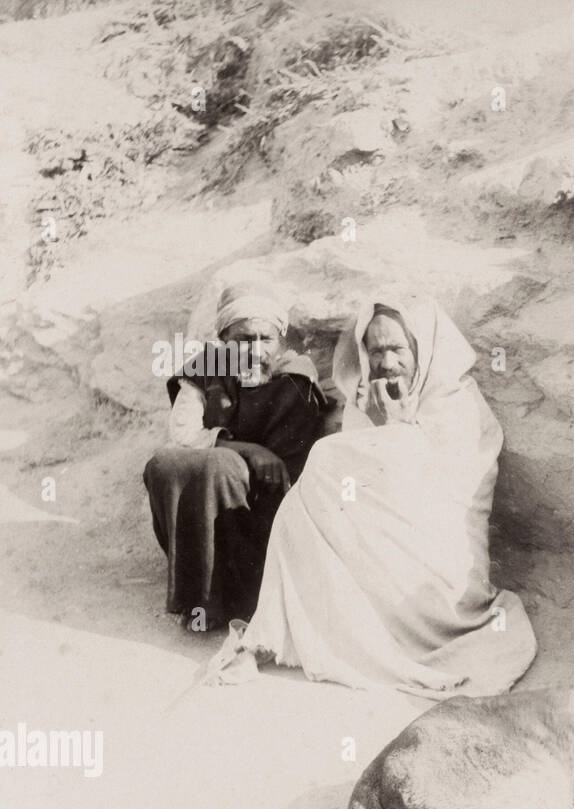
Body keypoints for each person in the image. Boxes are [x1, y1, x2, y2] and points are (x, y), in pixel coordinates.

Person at [207, 297, 536, 698]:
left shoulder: (458, 403)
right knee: (301, 506)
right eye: (376, 350)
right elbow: (355, 499)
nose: (387, 362)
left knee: (325, 459)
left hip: (439, 566)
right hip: (379, 552)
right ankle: (270, 633)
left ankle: (282, 632)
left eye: (398, 348)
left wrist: (394, 431)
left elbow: (438, 499)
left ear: (423, 348)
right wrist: (383, 427)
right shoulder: (371, 398)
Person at [143, 281, 325, 629]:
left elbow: (291, 474)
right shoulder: (207, 368)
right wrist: (246, 450)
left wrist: (236, 463)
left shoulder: (294, 380)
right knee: (166, 465)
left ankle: (245, 599)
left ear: (280, 341)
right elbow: (181, 436)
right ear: (223, 343)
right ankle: (200, 600)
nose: (255, 352)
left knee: (220, 467)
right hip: (214, 489)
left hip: (263, 513)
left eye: (265, 339)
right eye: (243, 341)